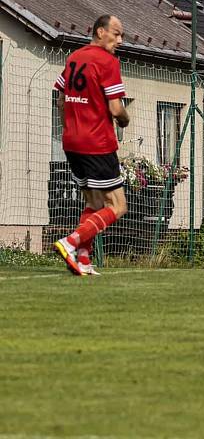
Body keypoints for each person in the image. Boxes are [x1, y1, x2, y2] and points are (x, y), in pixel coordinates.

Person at [52, 15, 130, 276]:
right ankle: (71, 242)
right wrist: (124, 119)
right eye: (116, 34)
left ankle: (83, 259)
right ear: (100, 31)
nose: (119, 40)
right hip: (97, 143)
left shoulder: (74, 57)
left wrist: (68, 127)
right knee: (117, 207)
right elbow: (116, 108)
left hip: (72, 142)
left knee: (94, 204)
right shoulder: (108, 62)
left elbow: (61, 99)